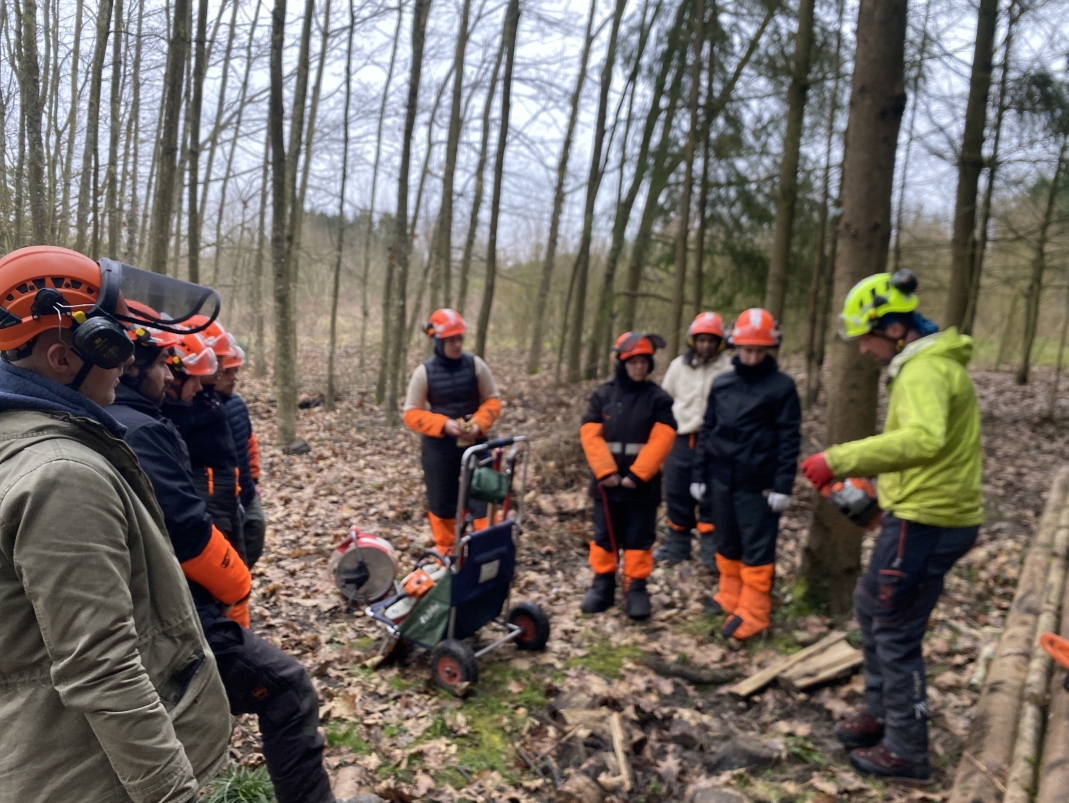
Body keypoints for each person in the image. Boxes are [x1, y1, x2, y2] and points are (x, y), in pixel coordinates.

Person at [0, 246, 231, 803]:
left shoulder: (19, 439)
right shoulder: (62, 475)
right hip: (88, 776)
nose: (127, 362)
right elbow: (101, 668)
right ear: (63, 355)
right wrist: (172, 794)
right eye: (114, 342)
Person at [108, 319, 341, 803]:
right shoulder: (141, 430)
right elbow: (188, 532)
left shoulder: (137, 419)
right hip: (169, 610)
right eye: (161, 368)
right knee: (287, 689)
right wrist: (235, 587)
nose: (172, 380)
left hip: (161, 596)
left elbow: (233, 466)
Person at [800, 270, 981, 781]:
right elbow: (932, 451)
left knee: (894, 627)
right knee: (871, 604)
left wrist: (840, 459)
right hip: (922, 513)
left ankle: (906, 749)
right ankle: (881, 714)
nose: (862, 351)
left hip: (927, 521)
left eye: (866, 338)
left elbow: (922, 440)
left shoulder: (925, 371)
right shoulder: (926, 366)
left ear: (894, 327)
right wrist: (879, 497)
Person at [694, 308, 800, 641]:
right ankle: (729, 596)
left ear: (768, 349)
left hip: (759, 485)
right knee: (726, 541)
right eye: (745, 349)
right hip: (722, 478)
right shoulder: (722, 383)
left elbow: (789, 437)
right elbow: (708, 429)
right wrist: (699, 474)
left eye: (758, 350)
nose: (751, 356)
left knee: (756, 547)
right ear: (735, 346)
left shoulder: (781, 388)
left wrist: (783, 484)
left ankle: (754, 612)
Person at [579, 333, 676, 620]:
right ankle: (603, 585)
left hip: (641, 487)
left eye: (644, 362)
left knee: (639, 538)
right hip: (606, 485)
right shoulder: (602, 395)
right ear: (621, 363)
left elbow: (662, 439)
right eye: (633, 362)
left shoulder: (658, 399)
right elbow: (590, 434)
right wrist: (605, 471)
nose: (639, 367)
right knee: (604, 537)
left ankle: (636, 588)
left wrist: (637, 475)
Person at [403, 309, 502, 554]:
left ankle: (485, 548)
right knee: (441, 501)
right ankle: (446, 553)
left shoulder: (476, 365)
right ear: (439, 341)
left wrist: (479, 423)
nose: (457, 345)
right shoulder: (423, 373)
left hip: (476, 443)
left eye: (460, 339)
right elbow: (411, 414)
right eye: (451, 340)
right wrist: (443, 425)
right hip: (439, 447)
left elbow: (493, 400)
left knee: (484, 496)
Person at [655, 312, 733, 569]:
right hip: (681, 439)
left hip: (714, 441)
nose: (706, 345)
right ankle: (677, 544)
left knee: (712, 495)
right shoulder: (679, 366)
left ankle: (712, 551)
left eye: (712, 341)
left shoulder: (729, 368)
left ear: (720, 342)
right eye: (701, 340)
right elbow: (666, 399)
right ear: (693, 340)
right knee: (676, 490)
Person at [164, 318, 245, 562]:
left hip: (226, 491)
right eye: (218, 360)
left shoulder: (215, 399)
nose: (221, 367)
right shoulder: (180, 410)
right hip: (208, 497)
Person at [213, 340, 266, 568]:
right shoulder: (198, 411)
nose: (233, 377)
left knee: (256, 529)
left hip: (245, 490)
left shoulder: (237, 404)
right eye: (228, 372)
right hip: (221, 500)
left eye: (236, 371)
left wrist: (253, 480)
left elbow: (249, 444)